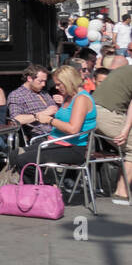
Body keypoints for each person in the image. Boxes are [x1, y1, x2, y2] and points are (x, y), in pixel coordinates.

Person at [7, 65, 96, 187]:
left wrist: (49, 120)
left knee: (23, 160)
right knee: (14, 154)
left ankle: (48, 189)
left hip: (72, 148)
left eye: (59, 84)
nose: (56, 87)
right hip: (56, 142)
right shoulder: (70, 97)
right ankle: (38, 189)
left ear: (69, 82)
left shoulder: (81, 99)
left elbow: (73, 129)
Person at [92, 61, 132, 205]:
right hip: (107, 113)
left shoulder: (126, 70)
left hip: (95, 110)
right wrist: (126, 129)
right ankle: (121, 192)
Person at [8, 64, 57, 142]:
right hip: (41, 136)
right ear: (29, 78)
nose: (44, 84)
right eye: (40, 81)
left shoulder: (44, 93)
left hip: (58, 131)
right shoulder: (17, 95)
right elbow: (15, 120)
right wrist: (43, 114)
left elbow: (54, 110)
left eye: (45, 81)